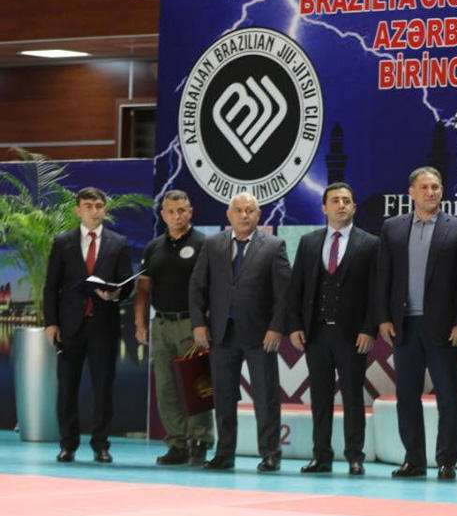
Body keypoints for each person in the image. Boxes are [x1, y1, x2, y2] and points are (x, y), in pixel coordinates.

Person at [376, 166, 457, 480]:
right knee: (406, 396)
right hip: (404, 327)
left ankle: (447, 461)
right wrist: (383, 318)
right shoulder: (392, 228)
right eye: (424, 187)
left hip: (445, 329)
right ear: (411, 192)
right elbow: (382, 277)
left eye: (435, 187)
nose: (430, 192)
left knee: (448, 397)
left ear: (442, 190)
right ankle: (414, 460)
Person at [189, 192, 291, 472]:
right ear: (229, 215)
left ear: (258, 215)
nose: (244, 215)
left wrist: (276, 328)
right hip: (221, 334)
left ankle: (270, 453)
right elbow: (197, 287)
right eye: (238, 210)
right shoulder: (212, 244)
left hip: (260, 336)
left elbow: (284, 294)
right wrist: (198, 323)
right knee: (222, 397)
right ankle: (224, 455)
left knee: (266, 397)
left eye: (249, 210)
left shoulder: (274, 246)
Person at [285, 182, 378, 476]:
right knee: (320, 398)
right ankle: (321, 456)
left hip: (353, 335)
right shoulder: (309, 242)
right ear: (324, 207)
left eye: (346, 200)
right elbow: (296, 288)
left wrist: (369, 329)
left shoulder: (370, 243)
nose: (341, 205)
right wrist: (295, 325)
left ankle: (355, 457)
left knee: (353, 397)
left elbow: (375, 292)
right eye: (335, 200)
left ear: (354, 207)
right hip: (316, 333)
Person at [44, 187, 133, 464]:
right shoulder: (63, 242)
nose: (94, 211)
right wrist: (51, 323)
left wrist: (115, 294)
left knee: (103, 388)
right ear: (78, 210)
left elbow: (127, 283)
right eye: (88, 206)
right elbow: (51, 286)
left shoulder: (118, 243)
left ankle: (101, 445)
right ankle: (67, 445)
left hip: (103, 326)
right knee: (67, 388)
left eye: (98, 206)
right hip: (70, 326)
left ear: (104, 209)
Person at [135, 189, 213, 467]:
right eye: (171, 211)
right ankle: (178, 442)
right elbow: (143, 289)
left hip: (192, 324)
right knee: (165, 387)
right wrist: (140, 322)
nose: (177, 216)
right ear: (163, 214)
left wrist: (203, 323)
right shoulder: (153, 247)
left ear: (190, 212)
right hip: (161, 324)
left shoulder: (205, 244)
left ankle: (201, 441)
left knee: (197, 385)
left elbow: (214, 287)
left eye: (182, 210)